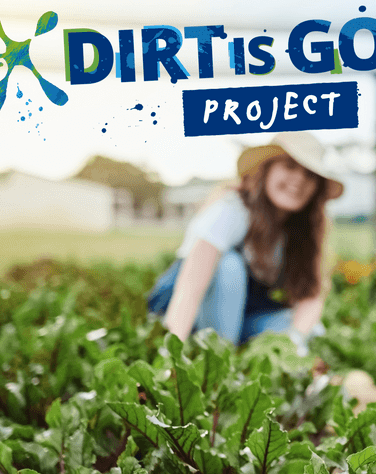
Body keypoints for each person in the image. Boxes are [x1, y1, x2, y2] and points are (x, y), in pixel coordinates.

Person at [147, 131, 343, 355]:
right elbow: (189, 290)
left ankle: (247, 357)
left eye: (310, 174)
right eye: (289, 166)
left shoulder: (302, 231)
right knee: (229, 265)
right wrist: (170, 354)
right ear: (267, 169)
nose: (299, 179)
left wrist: (294, 343)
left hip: (238, 318)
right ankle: (220, 361)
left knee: (311, 329)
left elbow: (311, 297)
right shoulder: (232, 209)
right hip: (185, 315)